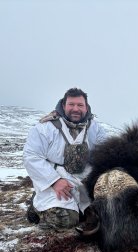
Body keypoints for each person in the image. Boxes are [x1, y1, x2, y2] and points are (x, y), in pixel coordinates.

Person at [23, 87, 108, 230]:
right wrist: (54, 181)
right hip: (56, 180)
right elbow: (31, 157)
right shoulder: (45, 128)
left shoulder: (95, 128)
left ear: (86, 108)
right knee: (64, 220)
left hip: (83, 181)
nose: (76, 109)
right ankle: (36, 208)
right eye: (71, 104)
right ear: (63, 106)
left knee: (97, 216)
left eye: (80, 105)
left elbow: (106, 151)